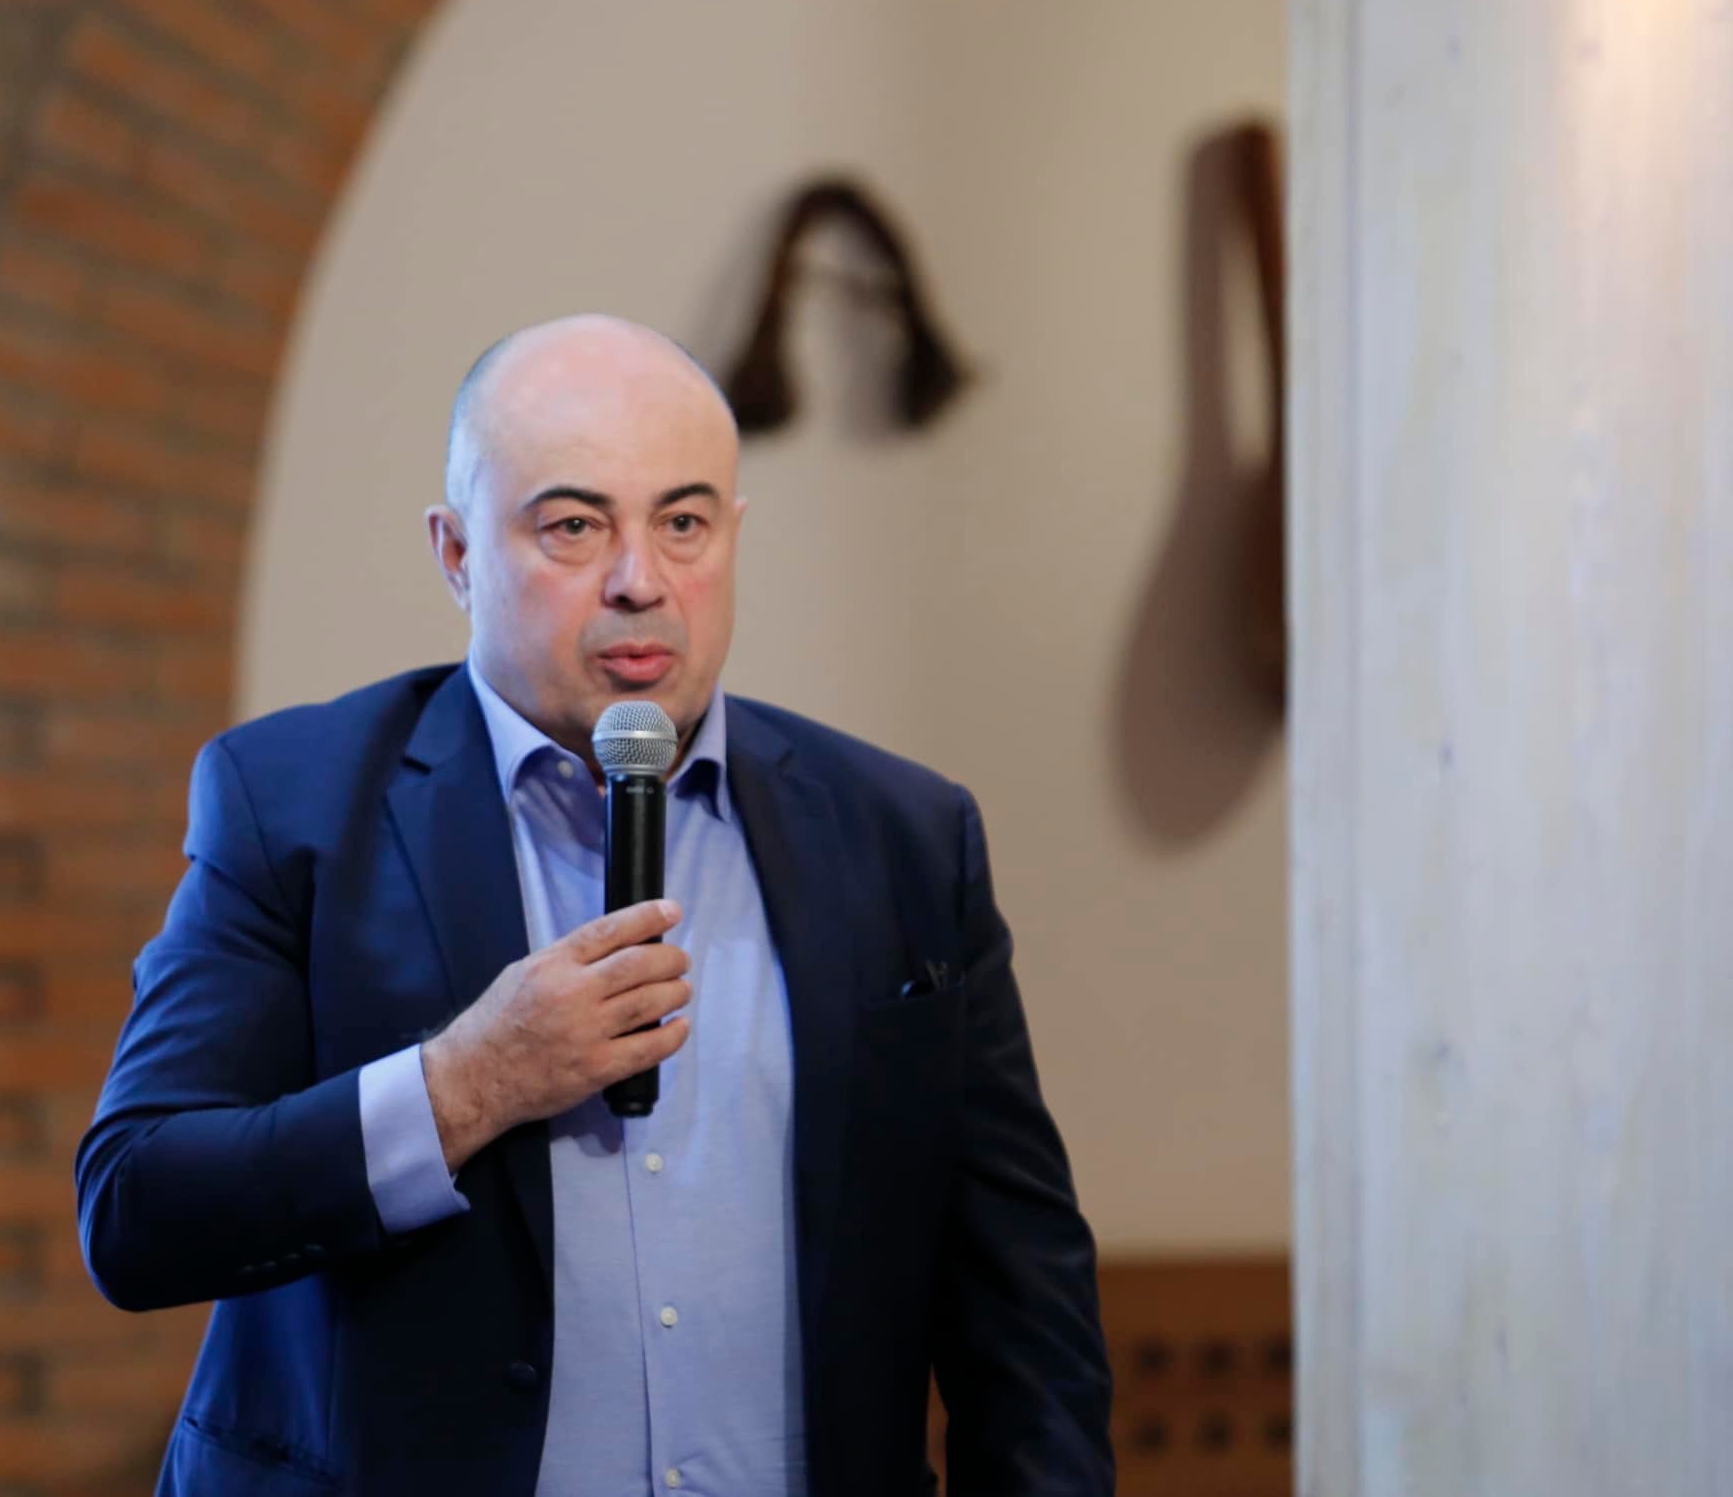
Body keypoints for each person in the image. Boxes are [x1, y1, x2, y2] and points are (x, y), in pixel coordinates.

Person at [76, 314, 1113, 1496]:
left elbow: (1023, 1299)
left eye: (682, 523)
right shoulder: (293, 805)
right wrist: (466, 1083)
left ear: (731, 534)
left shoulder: (902, 836)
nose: (639, 580)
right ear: (455, 552)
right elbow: (138, 1206)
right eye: (572, 526)